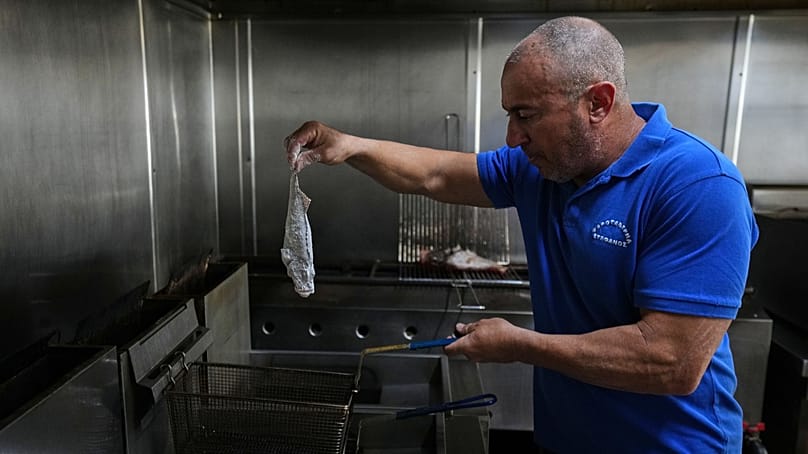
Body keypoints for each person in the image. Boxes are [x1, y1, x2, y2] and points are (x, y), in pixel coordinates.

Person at [284, 16, 758, 453]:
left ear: (598, 103)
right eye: (511, 114)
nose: (512, 137)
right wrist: (348, 146)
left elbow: (671, 363)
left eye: (526, 115)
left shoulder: (697, 185)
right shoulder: (542, 168)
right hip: (564, 439)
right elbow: (436, 175)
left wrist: (519, 345)